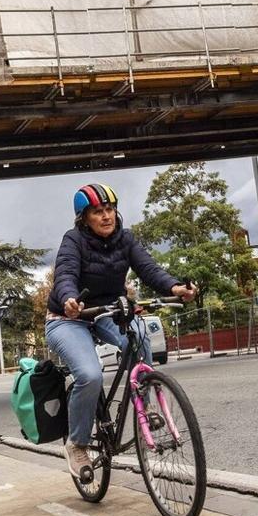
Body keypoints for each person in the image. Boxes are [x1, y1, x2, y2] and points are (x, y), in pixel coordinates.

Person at [46, 183, 198, 479]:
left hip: (108, 311)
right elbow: (65, 274)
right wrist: (69, 300)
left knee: (140, 337)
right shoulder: (73, 240)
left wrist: (176, 287)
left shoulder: (125, 239)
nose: (106, 216)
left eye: (110, 209)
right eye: (97, 211)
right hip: (68, 317)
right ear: (84, 218)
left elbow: (149, 268)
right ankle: (76, 444)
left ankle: (147, 404)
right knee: (90, 375)